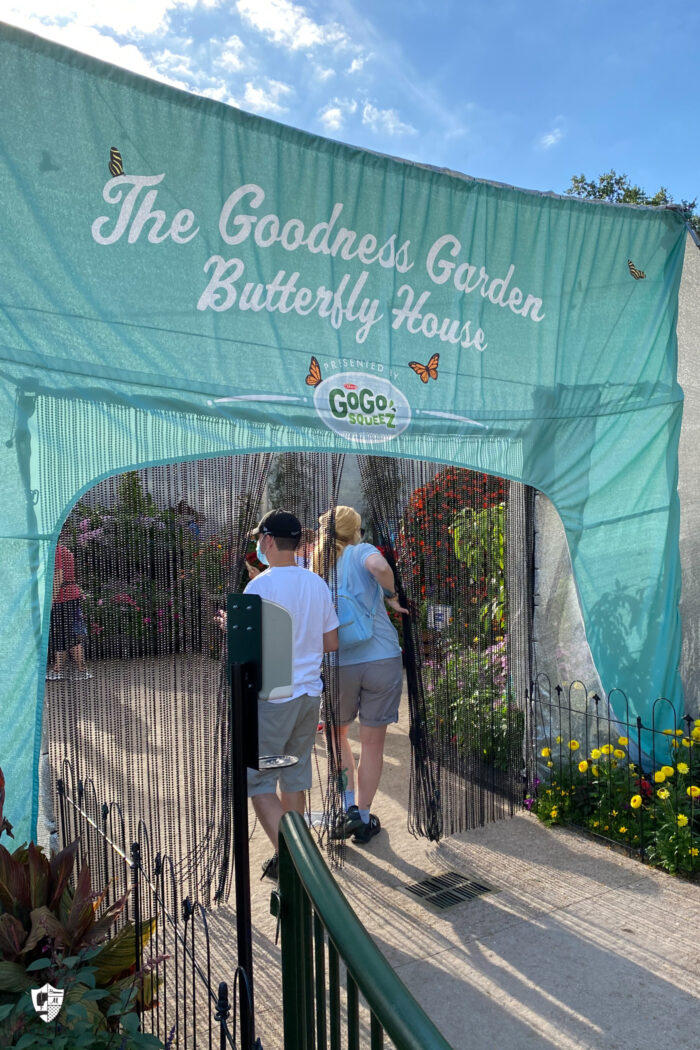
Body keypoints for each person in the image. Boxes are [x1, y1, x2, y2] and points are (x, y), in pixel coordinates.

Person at [222, 509, 339, 881]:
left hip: (275, 698)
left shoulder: (259, 587)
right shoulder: (316, 583)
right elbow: (331, 642)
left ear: (268, 540)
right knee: (293, 777)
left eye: (260, 538)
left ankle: (294, 864)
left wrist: (232, 627)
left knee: (257, 783)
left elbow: (248, 652)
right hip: (309, 696)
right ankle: (296, 855)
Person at [313, 507, 407, 845]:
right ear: (356, 531)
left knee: (336, 737)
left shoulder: (316, 565)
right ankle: (365, 817)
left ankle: (347, 805)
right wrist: (392, 596)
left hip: (339, 662)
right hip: (381, 657)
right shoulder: (360, 551)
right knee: (373, 743)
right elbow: (380, 567)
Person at [46, 532, 93, 681]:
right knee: (68, 634)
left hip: (63, 597)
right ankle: (79, 670)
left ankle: (62, 670)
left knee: (61, 634)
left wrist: (51, 600)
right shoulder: (64, 550)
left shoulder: (55, 550)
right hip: (71, 595)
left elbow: (58, 575)